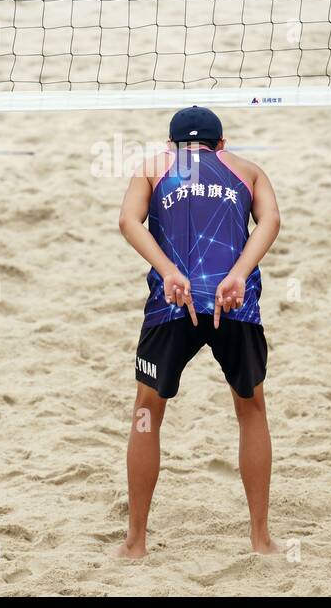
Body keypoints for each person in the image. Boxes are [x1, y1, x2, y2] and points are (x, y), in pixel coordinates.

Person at [115, 106, 282, 558]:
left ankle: (135, 544)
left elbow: (128, 222)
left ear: (172, 145)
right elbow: (271, 222)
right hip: (234, 303)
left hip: (173, 302)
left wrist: (168, 271)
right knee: (251, 410)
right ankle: (261, 539)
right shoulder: (247, 170)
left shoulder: (153, 168)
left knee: (146, 412)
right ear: (220, 145)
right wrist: (239, 274)